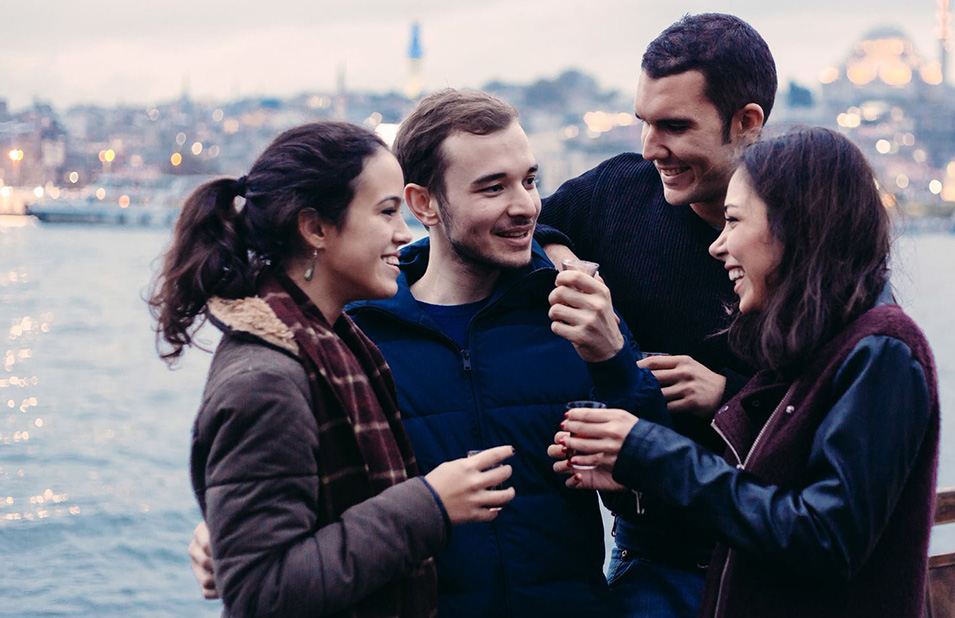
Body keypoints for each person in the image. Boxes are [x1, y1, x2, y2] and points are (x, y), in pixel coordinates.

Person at [552, 127, 942, 617]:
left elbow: (824, 538)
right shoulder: (820, 347)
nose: (718, 246)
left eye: (733, 221)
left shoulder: (882, 350)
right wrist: (633, 468)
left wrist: (651, 452)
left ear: (795, 227)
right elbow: (768, 497)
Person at [151, 121, 516, 617]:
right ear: (315, 228)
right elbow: (262, 593)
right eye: (386, 212)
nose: (403, 234)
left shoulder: (339, 341)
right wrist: (428, 504)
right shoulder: (265, 380)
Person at [347, 89, 668, 617]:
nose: (526, 206)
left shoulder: (573, 306)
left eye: (530, 180)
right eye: (493, 188)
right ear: (424, 203)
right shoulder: (363, 331)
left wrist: (613, 360)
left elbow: (662, 483)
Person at [534, 12, 776, 615]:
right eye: (644, 122)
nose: (650, 148)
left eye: (673, 126)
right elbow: (527, 225)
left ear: (746, 123)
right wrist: (562, 257)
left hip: (766, 563)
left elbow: (846, 397)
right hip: (648, 555)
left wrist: (728, 394)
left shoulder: (806, 231)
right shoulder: (621, 190)